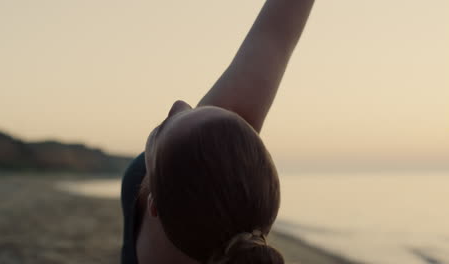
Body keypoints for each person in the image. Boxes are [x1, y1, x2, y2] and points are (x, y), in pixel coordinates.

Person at [121, 1, 315, 263]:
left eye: (163, 127)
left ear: (157, 207)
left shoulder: (187, 193)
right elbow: (274, 36)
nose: (180, 104)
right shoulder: (201, 186)